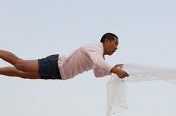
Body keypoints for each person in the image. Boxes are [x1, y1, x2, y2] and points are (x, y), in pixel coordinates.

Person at [0, 33, 128, 80]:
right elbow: (98, 62)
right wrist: (115, 70)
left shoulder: (100, 57)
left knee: (23, 74)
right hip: (57, 64)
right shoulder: (95, 47)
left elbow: (98, 73)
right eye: (115, 43)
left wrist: (112, 72)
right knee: (20, 64)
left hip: (61, 74)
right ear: (106, 41)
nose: (116, 47)